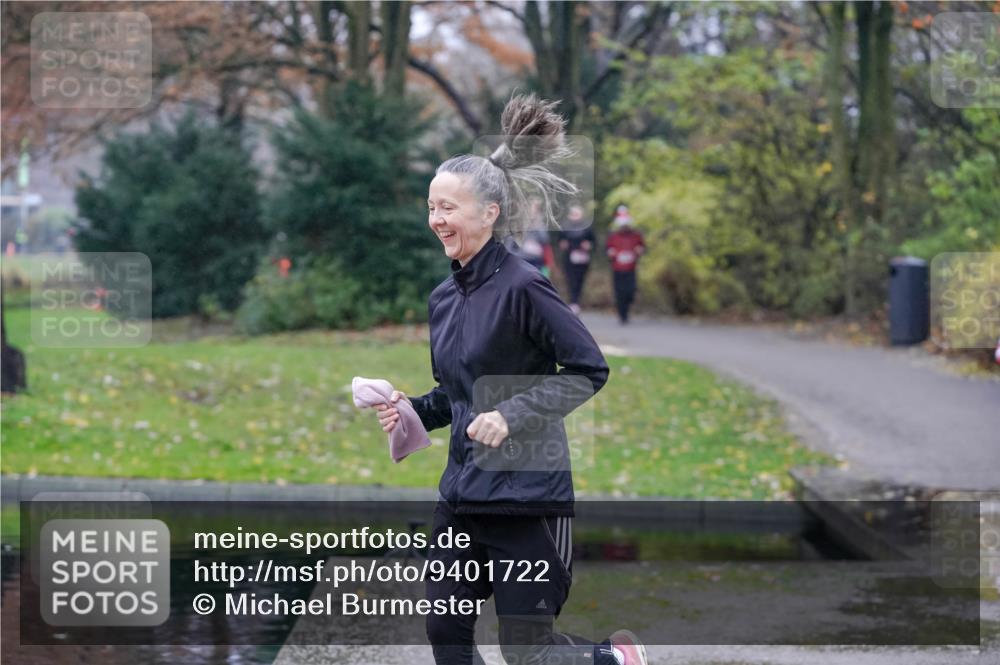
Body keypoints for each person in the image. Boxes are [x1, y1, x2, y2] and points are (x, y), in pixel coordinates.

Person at [371, 94, 647, 665]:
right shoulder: (443, 299)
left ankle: (615, 660)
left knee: (527, 653)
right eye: (431, 207)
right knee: (445, 634)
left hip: (527, 498)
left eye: (449, 207)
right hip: (463, 495)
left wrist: (512, 414)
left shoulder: (525, 286)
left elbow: (588, 369)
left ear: (489, 213)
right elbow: (459, 392)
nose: (436, 220)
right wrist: (412, 410)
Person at [605, 206, 645, 325]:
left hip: (631, 268)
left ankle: (626, 310)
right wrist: (610, 252)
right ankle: (622, 315)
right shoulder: (613, 236)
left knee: (630, 291)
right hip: (617, 269)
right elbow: (607, 248)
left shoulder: (636, 235)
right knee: (619, 292)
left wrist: (639, 250)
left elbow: (642, 246)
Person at [503, 196, 556, 279]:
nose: (532, 213)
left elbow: (545, 243)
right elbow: (509, 247)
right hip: (521, 262)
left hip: (537, 263)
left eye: (536, 210)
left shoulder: (540, 227)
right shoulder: (516, 226)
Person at [556, 204, 595, 315]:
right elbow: (559, 240)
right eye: (574, 214)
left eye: (577, 214)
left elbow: (593, 241)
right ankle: (573, 302)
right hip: (569, 258)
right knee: (571, 279)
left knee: (580, 280)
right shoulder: (565, 227)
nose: (575, 216)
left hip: (582, 259)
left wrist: (589, 245)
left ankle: (577, 301)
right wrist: (562, 244)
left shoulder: (587, 227)